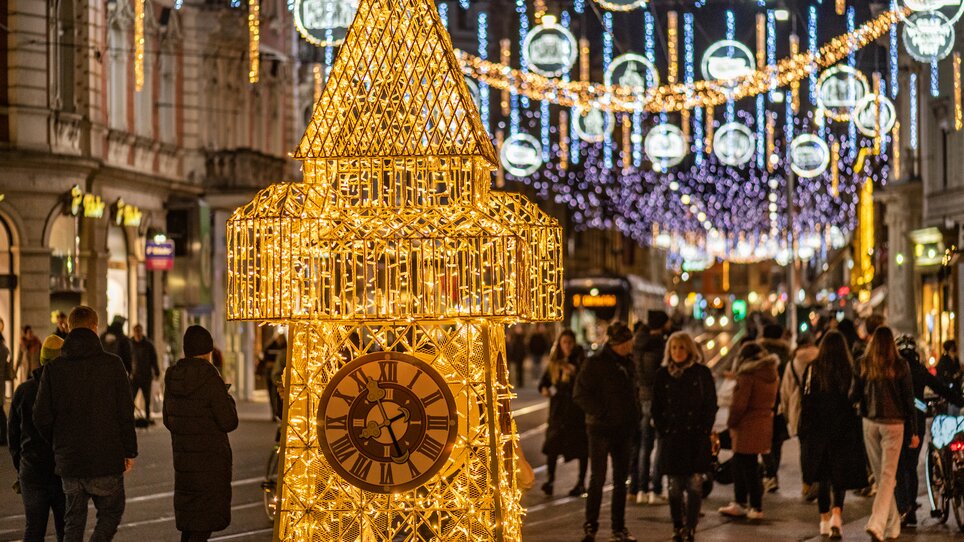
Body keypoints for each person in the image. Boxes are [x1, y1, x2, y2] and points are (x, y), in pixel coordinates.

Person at [33, 305, 137, 541]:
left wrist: (58, 441)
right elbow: (125, 411)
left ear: (68, 328)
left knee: (73, 520)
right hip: (106, 457)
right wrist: (128, 450)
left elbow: (41, 416)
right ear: (94, 327)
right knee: (111, 512)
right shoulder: (113, 365)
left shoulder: (53, 369)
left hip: (70, 459)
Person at [164, 325, 239, 542]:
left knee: (191, 525)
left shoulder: (173, 377)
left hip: (184, 462)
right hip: (210, 464)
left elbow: (169, 420)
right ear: (208, 351)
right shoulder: (210, 377)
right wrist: (228, 399)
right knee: (202, 525)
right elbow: (229, 421)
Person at [798, 330, 868, 539]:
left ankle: (824, 520)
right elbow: (857, 399)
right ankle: (837, 515)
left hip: (819, 430)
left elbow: (806, 399)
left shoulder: (813, 369)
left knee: (823, 476)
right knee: (839, 474)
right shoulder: (850, 369)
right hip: (843, 429)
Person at [573, 322, 639, 542]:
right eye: (628, 342)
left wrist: (634, 418)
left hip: (624, 429)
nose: (631, 345)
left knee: (621, 481)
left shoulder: (629, 363)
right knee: (598, 478)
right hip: (600, 429)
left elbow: (633, 394)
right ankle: (590, 527)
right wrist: (601, 412)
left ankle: (618, 528)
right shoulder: (595, 363)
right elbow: (580, 394)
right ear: (618, 343)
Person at [850, 326, 916, 542]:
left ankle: (881, 524)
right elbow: (909, 400)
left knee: (882, 476)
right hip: (895, 424)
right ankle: (888, 525)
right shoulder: (901, 365)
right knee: (886, 477)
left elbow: (854, 395)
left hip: (870, 422)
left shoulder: (863, 363)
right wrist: (913, 430)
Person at [652, 332, 717, 542]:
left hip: (695, 437)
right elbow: (656, 407)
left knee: (694, 484)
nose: (677, 352)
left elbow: (710, 403)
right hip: (672, 438)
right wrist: (663, 429)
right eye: (673, 348)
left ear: (690, 350)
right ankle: (677, 525)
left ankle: (690, 527)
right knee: (674, 487)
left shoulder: (701, 374)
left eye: (681, 348)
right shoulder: (662, 375)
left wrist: (705, 428)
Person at [894, 334, 963, 527]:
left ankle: (903, 509)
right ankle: (911, 508)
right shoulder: (919, 369)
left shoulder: (893, 369)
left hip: (897, 423)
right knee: (911, 466)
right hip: (916, 422)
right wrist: (960, 401)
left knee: (899, 467)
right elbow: (941, 388)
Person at [9, 335, 67, 541]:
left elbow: (13, 437)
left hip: (32, 471)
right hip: (63, 472)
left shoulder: (23, 391)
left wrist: (21, 466)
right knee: (67, 530)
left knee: (34, 529)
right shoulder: (67, 392)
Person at [719, 342, 778, 520]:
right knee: (750, 463)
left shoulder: (747, 375)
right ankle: (751, 505)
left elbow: (739, 404)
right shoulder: (771, 373)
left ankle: (746, 504)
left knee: (741, 464)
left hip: (746, 424)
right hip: (763, 422)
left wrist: (731, 422)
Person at [537, 329, 589, 497]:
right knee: (553, 446)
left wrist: (575, 374)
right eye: (564, 342)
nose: (567, 346)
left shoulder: (581, 361)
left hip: (575, 412)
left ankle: (581, 482)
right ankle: (550, 480)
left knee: (581, 449)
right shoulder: (555, 362)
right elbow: (544, 382)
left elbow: (587, 383)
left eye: (570, 343)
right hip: (558, 412)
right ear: (559, 344)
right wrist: (545, 389)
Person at [630, 310, 671, 505]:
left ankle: (640, 489)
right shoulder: (657, 345)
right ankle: (655, 488)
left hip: (641, 397)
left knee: (644, 446)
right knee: (660, 444)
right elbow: (661, 373)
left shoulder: (637, 343)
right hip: (657, 400)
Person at [778, 332, 819, 497]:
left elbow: (785, 392)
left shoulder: (792, 364)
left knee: (805, 448)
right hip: (818, 408)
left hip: (800, 410)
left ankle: (806, 483)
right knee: (819, 446)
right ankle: (819, 481)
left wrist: (787, 415)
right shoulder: (821, 360)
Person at [758, 323, 790, 493]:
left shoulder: (760, 352)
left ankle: (769, 474)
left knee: (764, 440)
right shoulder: (786, 353)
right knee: (777, 439)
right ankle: (772, 472)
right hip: (780, 402)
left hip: (763, 401)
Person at [130, 324, 160, 422]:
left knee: (147, 398)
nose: (138, 334)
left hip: (146, 375)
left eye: (139, 331)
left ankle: (147, 417)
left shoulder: (148, 345)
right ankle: (130, 418)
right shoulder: (130, 343)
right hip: (134, 376)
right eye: (136, 331)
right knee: (131, 398)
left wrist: (156, 371)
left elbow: (153, 359)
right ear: (134, 332)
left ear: (142, 332)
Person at [0, 317, 9, 446]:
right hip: (0, 380)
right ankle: (4, 436)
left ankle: (4, 436)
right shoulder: (3, 348)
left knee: (0, 410)